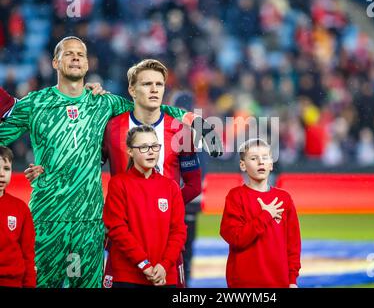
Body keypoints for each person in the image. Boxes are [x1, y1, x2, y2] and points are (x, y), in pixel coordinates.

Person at [0, 36, 217, 288]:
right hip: (47, 217)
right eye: (68, 54)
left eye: (80, 54)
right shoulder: (36, 103)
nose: (75, 58)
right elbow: (4, 128)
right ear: (54, 63)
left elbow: (148, 106)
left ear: (88, 64)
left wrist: (193, 119)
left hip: (90, 221)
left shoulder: (103, 102)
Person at [102, 59, 201, 288]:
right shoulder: (111, 128)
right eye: (147, 84)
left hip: (164, 242)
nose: (155, 89)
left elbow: (194, 185)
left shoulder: (180, 131)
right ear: (131, 90)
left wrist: (163, 209)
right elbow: (87, 167)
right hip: (123, 240)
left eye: (159, 84)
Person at [103, 125, 186, 288]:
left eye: (155, 146)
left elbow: (179, 230)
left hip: (164, 276)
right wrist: (144, 264)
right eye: (143, 147)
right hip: (127, 276)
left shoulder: (171, 186)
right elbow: (117, 229)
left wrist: (165, 265)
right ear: (130, 151)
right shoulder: (119, 184)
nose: (151, 151)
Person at [220, 139, 301, 288]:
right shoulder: (235, 196)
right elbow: (236, 238)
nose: (260, 162)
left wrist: (292, 280)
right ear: (243, 165)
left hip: (279, 282)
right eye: (253, 158)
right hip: (244, 284)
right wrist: (265, 215)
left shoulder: (284, 198)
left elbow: (293, 245)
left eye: (265, 157)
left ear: (271, 164)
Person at [0, 146, 36, 288]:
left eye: (6, 169)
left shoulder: (20, 209)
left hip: (13, 282)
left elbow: (28, 255)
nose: (2, 174)